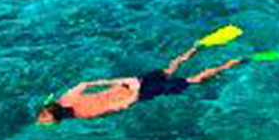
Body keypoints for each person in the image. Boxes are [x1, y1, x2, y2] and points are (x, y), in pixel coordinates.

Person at [37, 43, 244, 124]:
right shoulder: (65, 98)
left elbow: (121, 106)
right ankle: (196, 47)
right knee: (169, 69)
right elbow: (84, 84)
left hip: (138, 92)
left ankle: (235, 62)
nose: (42, 121)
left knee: (194, 80)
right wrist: (121, 81)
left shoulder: (83, 113)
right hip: (129, 83)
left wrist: (135, 93)